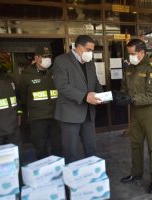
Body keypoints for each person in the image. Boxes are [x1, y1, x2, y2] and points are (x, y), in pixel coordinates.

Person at [114, 39, 152, 194]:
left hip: (150, 112)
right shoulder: (130, 68)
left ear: (142, 53)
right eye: (129, 54)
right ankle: (136, 173)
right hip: (135, 112)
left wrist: (133, 99)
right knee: (135, 143)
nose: (130, 57)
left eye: (132, 53)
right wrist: (120, 96)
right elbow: (125, 87)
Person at [53, 35, 103, 164]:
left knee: (91, 148)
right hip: (70, 114)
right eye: (88, 49)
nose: (90, 53)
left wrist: (101, 95)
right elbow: (62, 86)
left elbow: (95, 82)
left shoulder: (90, 63)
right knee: (70, 151)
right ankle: (71, 182)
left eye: (92, 50)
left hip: (88, 114)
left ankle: (92, 175)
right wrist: (85, 96)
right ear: (78, 47)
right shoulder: (61, 61)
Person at [18, 46, 62, 160]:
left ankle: (58, 169)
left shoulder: (55, 72)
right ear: (36, 58)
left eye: (49, 56)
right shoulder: (26, 75)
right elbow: (22, 95)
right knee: (40, 147)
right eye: (44, 56)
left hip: (55, 116)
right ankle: (44, 172)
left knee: (58, 146)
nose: (48, 59)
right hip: (37, 118)